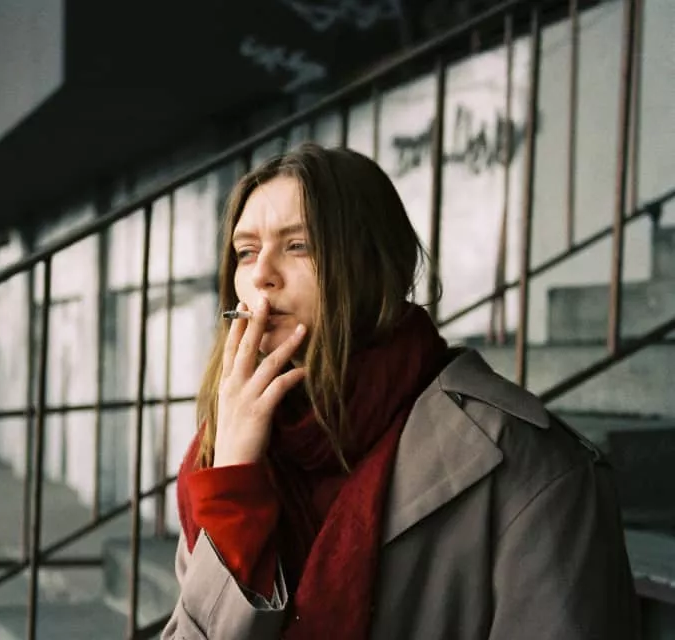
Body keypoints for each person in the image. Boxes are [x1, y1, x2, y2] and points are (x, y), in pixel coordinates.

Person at [161, 143, 638, 639]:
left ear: (373, 262)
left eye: (298, 245)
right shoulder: (224, 449)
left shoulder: (527, 460)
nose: (261, 274)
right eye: (246, 252)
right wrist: (234, 490)